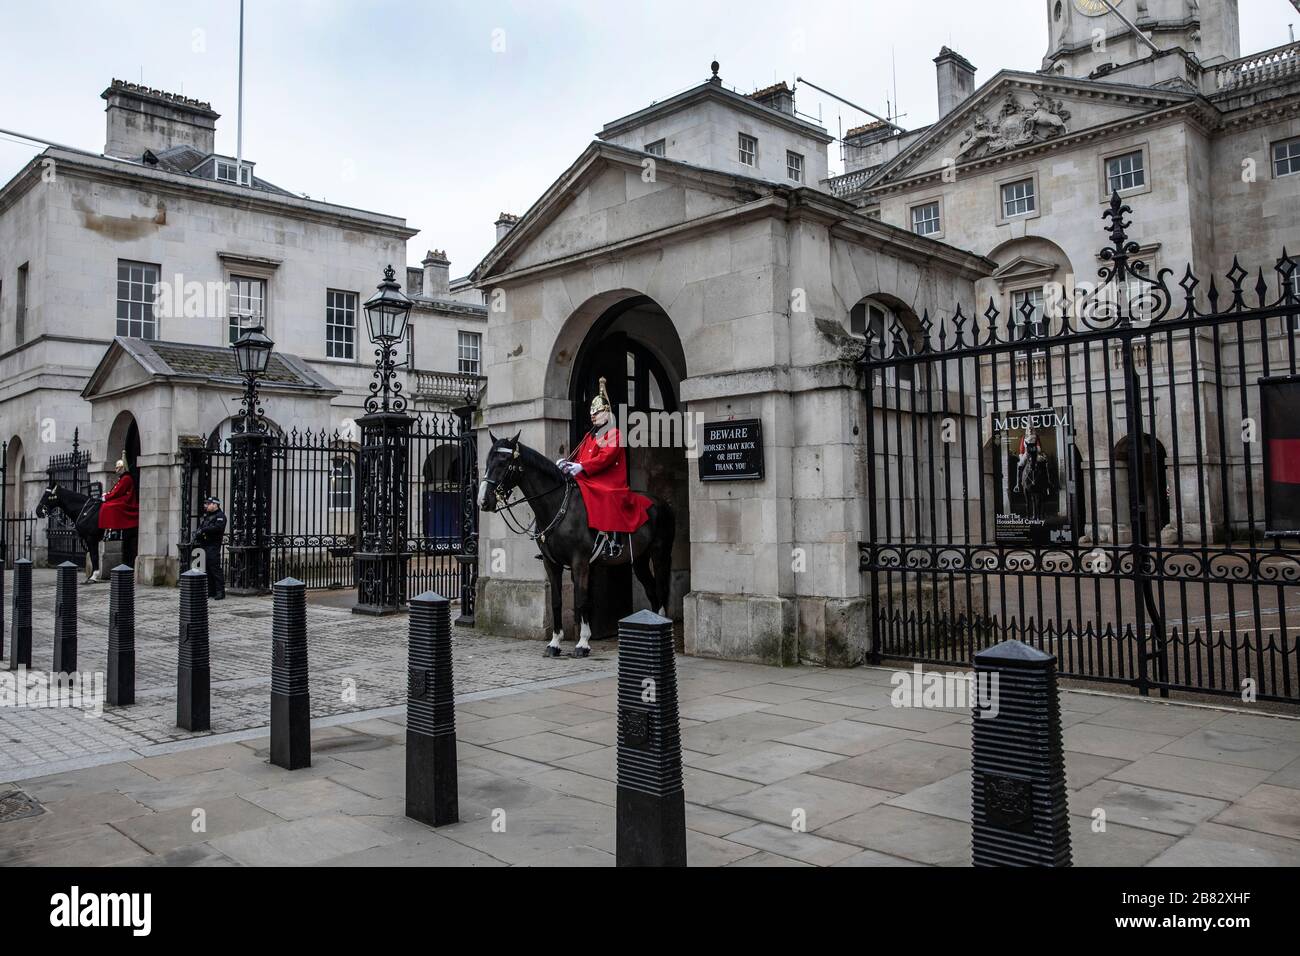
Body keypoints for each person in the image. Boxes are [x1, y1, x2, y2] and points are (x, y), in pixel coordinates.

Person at [558, 376, 652, 560]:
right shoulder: (589, 436)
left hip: (609, 480)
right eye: (592, 413)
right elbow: (579, 457)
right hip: (588, 477)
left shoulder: (614, 434)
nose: (593, 415)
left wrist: (581, 467)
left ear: (607, 413)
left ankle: (613, 540)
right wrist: (567, 464)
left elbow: (605, 458)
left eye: (598, 412)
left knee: (607, 494)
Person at [98, 455, 139, 570]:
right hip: (122, 498)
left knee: (108, 506)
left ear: (122, 468)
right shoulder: (122, 478)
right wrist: (107, 494)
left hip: (127, 501)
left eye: (118, 468)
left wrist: (106, 497)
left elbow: (118, 492)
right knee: (107, 505)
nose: (116, 470)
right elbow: (115, 490)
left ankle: (112, 527)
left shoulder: (126, 479)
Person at [195, 496, 227, 600]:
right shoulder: (208, 516)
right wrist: (199, 532)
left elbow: (218, 528)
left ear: (215, 505)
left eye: (208, 504)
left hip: (213, 546)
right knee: (207, 569)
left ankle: (220, 591)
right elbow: (201, 527)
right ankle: (211, 591)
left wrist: (204, 530)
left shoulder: (220, 516)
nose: (206, 506)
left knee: (215, 569)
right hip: (204, 544)